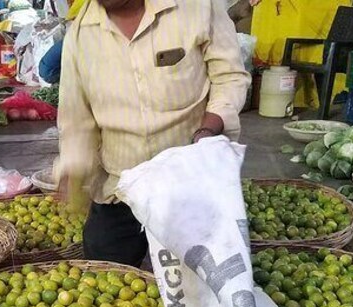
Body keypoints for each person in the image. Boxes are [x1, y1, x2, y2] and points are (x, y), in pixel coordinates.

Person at [57, 0, 250, 267]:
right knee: (104, 273)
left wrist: (209, 127)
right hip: (120, 185)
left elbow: (229, 76)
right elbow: (76, 117)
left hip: (190, 180)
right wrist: (73, 167)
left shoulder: (197, 8)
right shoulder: (80, 35)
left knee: (204, 281)